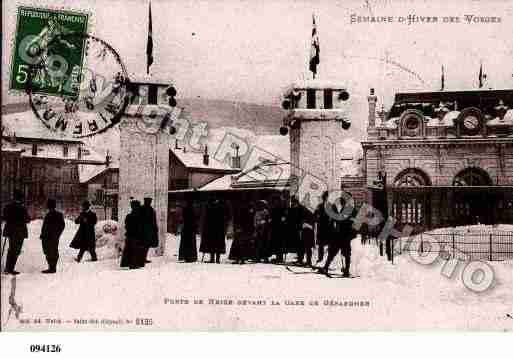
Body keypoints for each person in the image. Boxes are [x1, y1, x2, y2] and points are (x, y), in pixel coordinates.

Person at [321, 191, 358, 277]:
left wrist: (351, 234)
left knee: (346, 253)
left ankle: (346, 270)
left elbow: (354, 224)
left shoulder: (352, 210)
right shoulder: (344, 209)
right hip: (339, 234)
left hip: (346, 235)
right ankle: (326, 267)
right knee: (333, 251)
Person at [2, 190, 30, 275]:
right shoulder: (22, 208)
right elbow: (27, 219)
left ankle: (8, 268)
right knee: (16, 250)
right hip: (19, 232)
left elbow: (4, 218)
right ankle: (10, 268)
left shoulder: (7, 206)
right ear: (20, 198)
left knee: (11, 249)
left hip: (10, 231)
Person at [40, 198, 65, 273]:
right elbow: (62, 226)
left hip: (49, 237)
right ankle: (52, 267)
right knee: (52, 251)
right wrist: (57, 234)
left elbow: (61, 226)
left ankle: (52, 268)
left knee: (49, 251)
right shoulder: (58, 214)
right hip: (51, 237)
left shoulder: (50, 215)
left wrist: (56, 234)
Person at [121, 200, 146, 269]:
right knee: (135, 249)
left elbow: (126, 225)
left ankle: (130, 263)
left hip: (131, 235)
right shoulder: (140, 216)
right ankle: (134, 264)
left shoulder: (129, 216)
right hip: (136, 235)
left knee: (130, 249)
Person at [200, 199, 226, 263]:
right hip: (217, 228)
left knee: (213, 243)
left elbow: (206, 218)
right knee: (215, 243)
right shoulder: (221, 206)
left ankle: (214, 258)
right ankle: (216, 259)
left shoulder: (209, 206)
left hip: (213, 228)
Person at [314, 191, 332, 264]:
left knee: (329, 244)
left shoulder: (330, 206)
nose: (326, 198)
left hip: (328, 227)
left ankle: (328, 259)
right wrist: (317, 219)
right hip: (321, 227)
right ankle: (320, 258)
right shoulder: (319, 206)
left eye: (327, 197)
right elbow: (315, 215)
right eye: (325, 197)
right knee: (321, 245)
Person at [269, 195, 287, 263]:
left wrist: (283, 220)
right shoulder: (274, 208)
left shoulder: (281, 208)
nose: (276, 202)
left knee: (280, 244)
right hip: (275, 228)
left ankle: (280, 258)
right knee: (276, 244)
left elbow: (284, 218)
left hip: (280, 228)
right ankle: (278, 257)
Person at [141, 197, 159, 263]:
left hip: (149, 230)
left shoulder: (151, 209)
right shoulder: (142, 209)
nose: (149, 202)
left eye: (149, 201)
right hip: (143, 231)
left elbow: (154, 220)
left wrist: (155, 228)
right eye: (148, 201)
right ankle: (141, 258)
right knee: (143, 245)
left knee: (146, 245)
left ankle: (144, 258)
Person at [287, 196, 303, 264]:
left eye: (293, 200)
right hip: (293, 228)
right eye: (292, 200)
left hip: (299, 228)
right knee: (296, 243)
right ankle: (299, 257)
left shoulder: (300, 208)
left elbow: (301, 217)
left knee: (300, 243)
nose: (292, 202)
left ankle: (300, 258)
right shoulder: (291, 208)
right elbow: (289, 217)